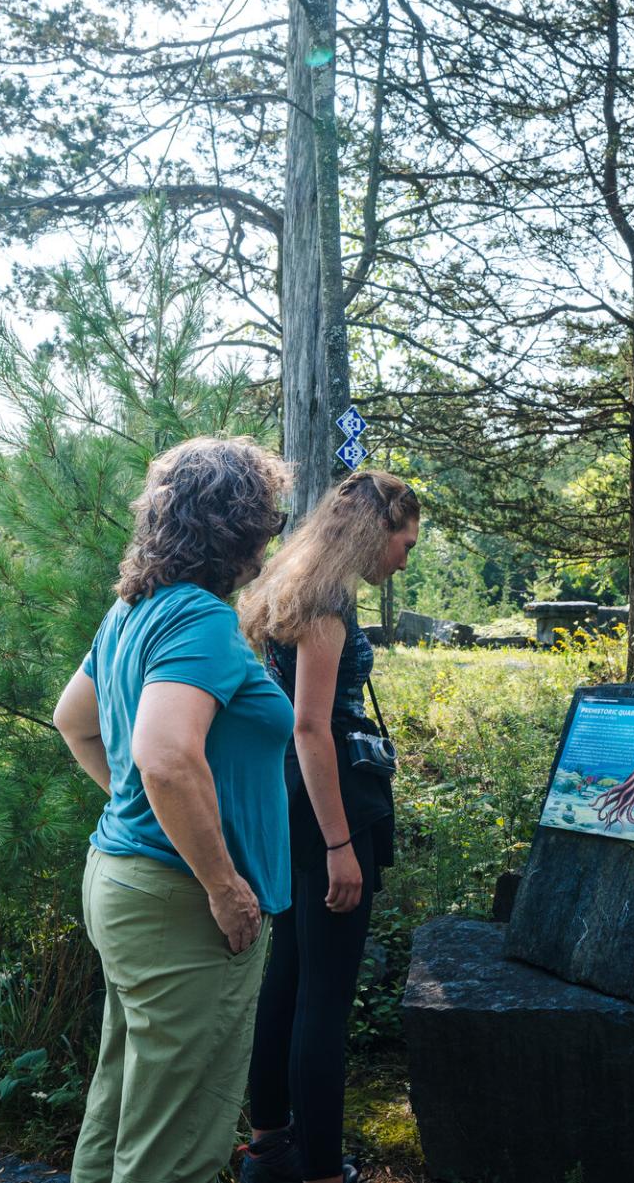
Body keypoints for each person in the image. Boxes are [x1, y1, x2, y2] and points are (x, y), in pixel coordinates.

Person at [50, 436, 296, 1183]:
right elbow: (163, 756)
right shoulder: (201, 621)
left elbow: (74, 719)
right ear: (238, 528)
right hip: (182, 906)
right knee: (175, 1143)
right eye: (267, 520)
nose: (271, 536)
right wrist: (223, 885)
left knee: (125, 1104)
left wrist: (137, 805)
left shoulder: (133, 609)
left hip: (123, 882)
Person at [233, 470, 422, 1183]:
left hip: (294, 800)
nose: (405, 555)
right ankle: (318, 1172)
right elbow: (312, 727)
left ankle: (271, 1145)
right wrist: (341, 844)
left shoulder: (295, 588)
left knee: (288, 973)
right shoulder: (327, 606)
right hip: (327, 804)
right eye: (404, 540)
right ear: (377, 531)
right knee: (325, 995)